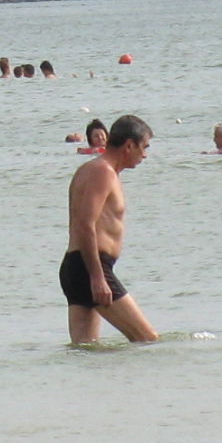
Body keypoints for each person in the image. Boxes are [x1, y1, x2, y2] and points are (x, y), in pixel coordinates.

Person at [62, 114, 158, 344]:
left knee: (87, 351)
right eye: (144, 147)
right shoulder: (102, 172)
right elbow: (85, 224)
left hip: (78, 267)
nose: (145, 154)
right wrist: (97, 277)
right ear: (129, 145)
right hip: (90, 267)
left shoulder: (95, 169)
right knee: (147, 339)